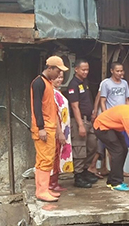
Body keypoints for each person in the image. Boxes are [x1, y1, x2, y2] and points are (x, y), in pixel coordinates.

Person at [30, 56, 68, 202]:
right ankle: (42, 191)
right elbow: (37, 107)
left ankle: (42, 189)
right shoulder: (39, 83)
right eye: (57, 70)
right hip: (44, 127)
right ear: (50, 68)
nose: (59, 74)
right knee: (45, 160)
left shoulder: (47, 83)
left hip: (50, 126)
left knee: (44, 160)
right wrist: (41, 127)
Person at [67, 59, 98, 188]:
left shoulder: (84, 83)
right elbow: (75, 106)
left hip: (88, 120)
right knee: (79, 148)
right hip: (79, 120)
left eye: (87, 69)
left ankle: (85, 171)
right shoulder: (73, 84)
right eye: (83, 69)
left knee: (92, 145)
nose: (86, 72)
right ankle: (78, 176)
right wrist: (80, 125)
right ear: (76, 69)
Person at [49, 70, 73, 192]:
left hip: (63, 129)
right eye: (57, 78)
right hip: (57, 130)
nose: (59, 80)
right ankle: (52, 183)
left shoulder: (57, 92)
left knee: (58, 155)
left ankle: (54, 182)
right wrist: (59, 132)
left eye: (61, 77)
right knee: (55, 155)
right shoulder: (51, 93)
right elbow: (54, 115)